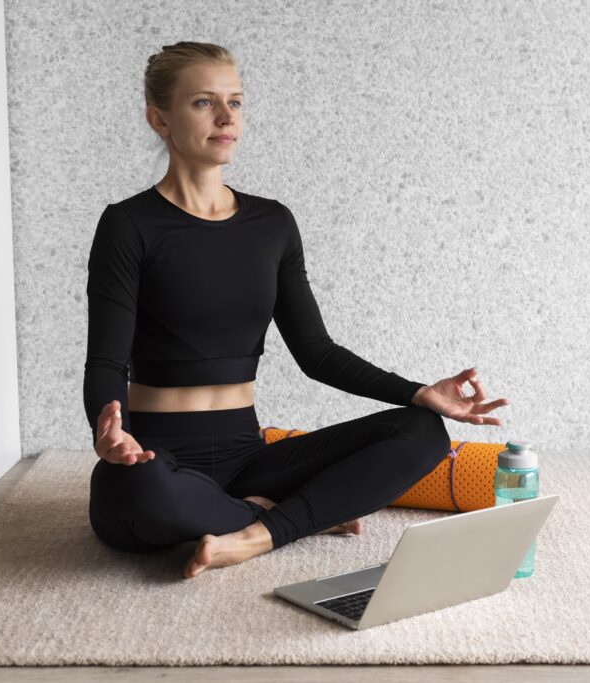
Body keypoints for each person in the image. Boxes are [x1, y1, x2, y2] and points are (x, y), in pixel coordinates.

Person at [84, 42, 509, 580]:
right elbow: (105, 363)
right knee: (141, 492)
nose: (225, 117)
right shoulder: (128, 225)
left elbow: (316, 352)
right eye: (203, 103)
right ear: (159, 118)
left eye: (235, 102)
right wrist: (107, 430)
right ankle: (296, 515)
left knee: (422, 432)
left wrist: (417, 392)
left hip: (247, 457)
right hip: (156, 458)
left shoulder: (272, 224)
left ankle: (258, 534)